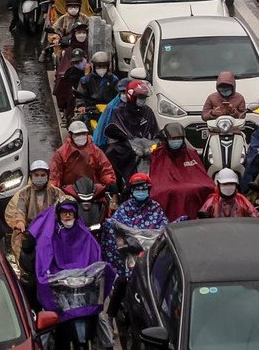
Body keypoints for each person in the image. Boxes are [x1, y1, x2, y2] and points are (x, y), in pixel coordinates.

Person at [19, 200, 109, 343]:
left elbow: (95, 257)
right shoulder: (50, 236)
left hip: (82, 282)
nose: (67, 216)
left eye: (70, 213)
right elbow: (45, 257)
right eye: (64, 213)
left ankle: (108, 342)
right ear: (58, 215)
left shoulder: (84, 235)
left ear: (75, 214)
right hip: (59, 283)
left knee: (98, 314)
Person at [99, 172, 168, 308]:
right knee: (122, 280)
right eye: (138, 189)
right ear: (132, 190)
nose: (141, 192)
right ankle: (111, 314)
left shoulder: (156, 208)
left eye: (144, 188)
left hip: (149, 253)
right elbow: (115, 225)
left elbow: (163, 227)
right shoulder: (125, 208)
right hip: (129, 254)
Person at [148, 122, 213, 221]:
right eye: (173, 139)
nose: (176, 141)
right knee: (164, 193)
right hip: (167, 184)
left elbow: (200, 174)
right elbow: (158, 177)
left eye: (179, 138)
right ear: (166, 139)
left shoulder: (191, 153)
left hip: (191, 182)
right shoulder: (158, 154)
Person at [103, 80, 159, 187]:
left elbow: (155, 133)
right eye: (140, 98)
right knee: (111, 152)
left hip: (146, 149)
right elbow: (115, 135)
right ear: (131, 97)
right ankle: (118, 185)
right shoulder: (118, 111)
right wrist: (129, 144)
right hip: (127, 148)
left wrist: (153, 145)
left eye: (144, 98)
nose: (142, 101)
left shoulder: (148, 112)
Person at [5, 161, 62, 260]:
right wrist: (20, 221)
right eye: (36, 175)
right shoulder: (24, 193)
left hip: (51, 230)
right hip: (30, 230)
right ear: (31, 176)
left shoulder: (55, 192)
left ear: (47, 176)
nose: (39, 178)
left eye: (42, 175)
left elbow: (62, 207)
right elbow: (19, 209)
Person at [49, 120, 117, 191]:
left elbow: (106, 168)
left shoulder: (95, 151)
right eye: (77, 134)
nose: (80, 136)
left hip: (93, 191)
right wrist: (55, 189)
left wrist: (110, 182)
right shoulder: (61, 153)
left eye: (83, 133)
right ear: (71, 135)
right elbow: (54, 174)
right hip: (69, 192)